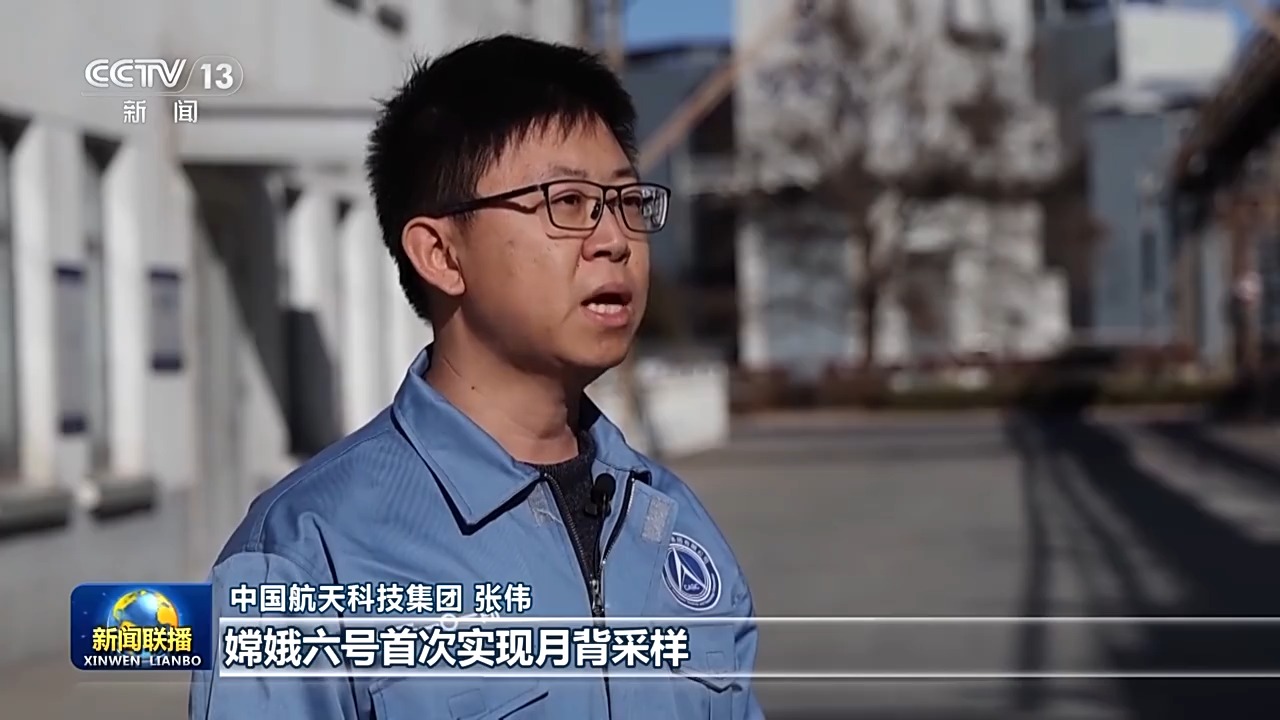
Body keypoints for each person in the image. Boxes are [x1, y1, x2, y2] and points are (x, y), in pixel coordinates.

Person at [189, 34, 764, 719]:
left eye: (625, 201)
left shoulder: (670, 524)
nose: (615, 239)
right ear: (440, 253)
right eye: (568, 202)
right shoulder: (307, 556)